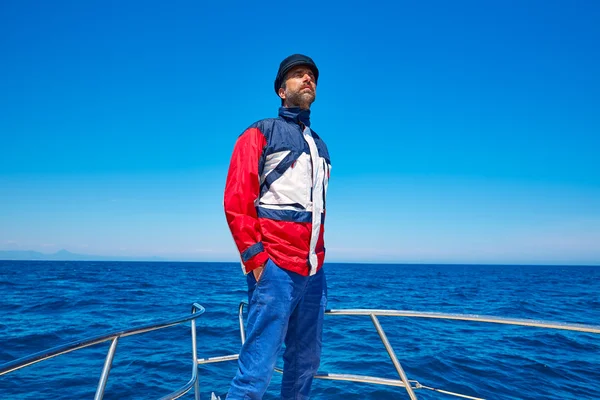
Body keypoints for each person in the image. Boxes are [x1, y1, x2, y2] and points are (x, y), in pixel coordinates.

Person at [223, 54, 331, 400]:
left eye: (311, 75)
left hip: (313, 272)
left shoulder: (321, 147)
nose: (307, 79)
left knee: (306, 362)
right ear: (281, 90)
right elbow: (237, 198)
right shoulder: (261, 131)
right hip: (276, 270)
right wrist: (256, 260)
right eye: (298, 75)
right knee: (257, 368)